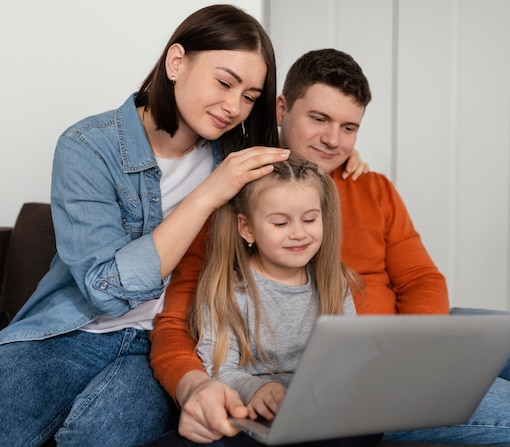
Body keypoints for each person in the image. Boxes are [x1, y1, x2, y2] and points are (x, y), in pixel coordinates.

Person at [150, 49, 510, 447]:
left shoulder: (372, 186)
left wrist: (416, 354)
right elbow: (178, 322)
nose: (332, 139)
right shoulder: (234, 195)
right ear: (280, 110)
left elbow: (421, 279)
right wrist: (195, 386)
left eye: (349, 127)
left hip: (411, 340)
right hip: (340, 375)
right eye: (318, 118)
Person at [0, 5, 296, 447]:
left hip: (163, 346)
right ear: (176, 62)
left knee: (99, 435)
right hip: (70, 331)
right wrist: (208, 193)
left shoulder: (236, 158)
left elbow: (306, 168)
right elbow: (103, 289)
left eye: (250, 96)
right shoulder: (87, 146)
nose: (235, 107)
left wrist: (346, 159)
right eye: (224, 82)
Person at [147, 153, 381, 447]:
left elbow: (348, 362)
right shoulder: (228, 289)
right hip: (247, 415)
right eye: (280, 223)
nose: (299, 233)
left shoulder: (334, 284)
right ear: (247, 229)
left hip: (316, 416)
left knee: (365, 427)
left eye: (310, 219)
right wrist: (257, 390)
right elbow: (220, 370)